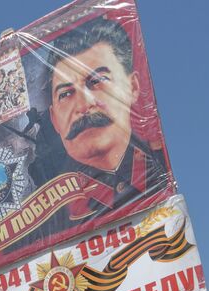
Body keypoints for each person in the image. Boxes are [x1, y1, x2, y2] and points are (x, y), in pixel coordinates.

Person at [29, 16, 169, 226]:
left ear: (133, 87)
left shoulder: (160, 168)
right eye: (66, 94)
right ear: (53, 119)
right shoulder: (43, 222)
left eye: (96, 81)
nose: (83, 105)